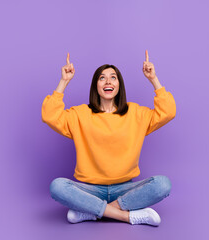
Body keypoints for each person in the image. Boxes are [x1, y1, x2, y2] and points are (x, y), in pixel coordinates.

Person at [42, 50, 176, 226]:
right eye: (102, 78)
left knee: (163, 184)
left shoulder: (135, 113)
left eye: (113, 77)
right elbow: (49, 115)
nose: (108, 81)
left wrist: (154, 79)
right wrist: (64, 81)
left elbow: (168, 112)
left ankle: (91, 211)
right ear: (96, 85)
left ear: (119, 85)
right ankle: (125, 216)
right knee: (57, 187)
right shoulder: (80, 114)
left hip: (125, 189)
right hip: (90, 189)